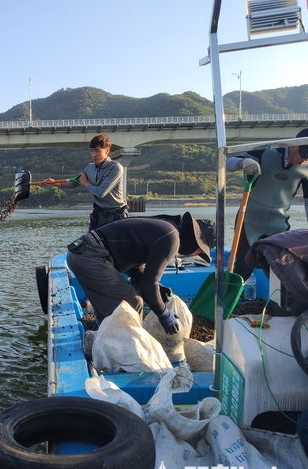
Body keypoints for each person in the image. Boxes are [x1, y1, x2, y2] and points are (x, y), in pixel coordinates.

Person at [66, 213, 211, 334]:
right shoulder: (172, 238)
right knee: (132, 304)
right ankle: (128, 354)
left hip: (83, 253)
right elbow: (149, 284)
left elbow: (134, 263)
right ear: (194, 241)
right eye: (199, 250)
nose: (194, 254)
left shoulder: (168, 228)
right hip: (91, 257)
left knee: (110, 317)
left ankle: (103, 348)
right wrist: (163, 313)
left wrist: (157, 289)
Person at [226, 127, 308, 279]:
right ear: (293, 145)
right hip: (248, 220)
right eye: (304, 154)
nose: (305, 160)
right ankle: (228, 293)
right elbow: (227, 163)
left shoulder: (307, 168)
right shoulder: (266, 151)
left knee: (283, 271)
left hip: (279, 223)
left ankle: (280, 296)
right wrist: (244, 162)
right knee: (242, 268)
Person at [43, 133, 127, 230]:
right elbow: (75, 183)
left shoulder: (116, 168)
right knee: (91, 239)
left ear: (107, 150)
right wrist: (55, 183)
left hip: (116, 213)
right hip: (99, 212)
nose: (93, 154)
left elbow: (101, 193)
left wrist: (86, 183)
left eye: (97, 151)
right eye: (91, 151)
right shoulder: (89, 167)